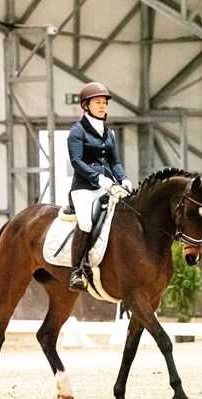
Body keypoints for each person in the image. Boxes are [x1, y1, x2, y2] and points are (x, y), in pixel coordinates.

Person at [66, 82, 132, 291]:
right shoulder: (77, 132)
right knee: (86, 223)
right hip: (84, 187)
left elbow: (114, 161)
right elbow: (76, 161)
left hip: (108, 185)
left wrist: (123, 178)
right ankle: (77, 270)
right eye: (98, 102)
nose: (103, 106)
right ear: (86, 105)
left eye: (104, 103)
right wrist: (97, 178)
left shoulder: (108, 132)